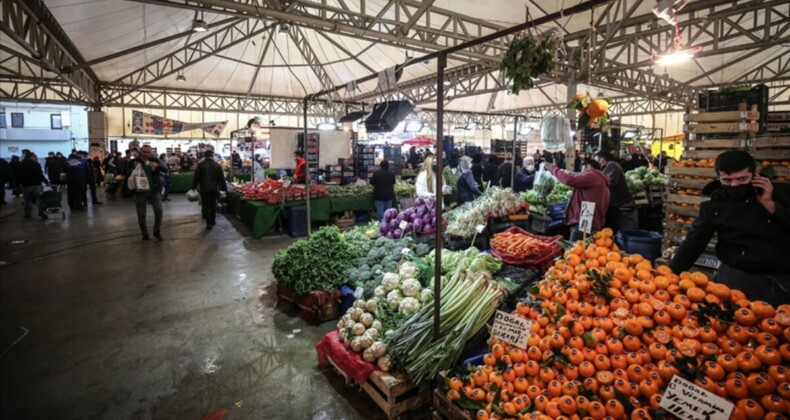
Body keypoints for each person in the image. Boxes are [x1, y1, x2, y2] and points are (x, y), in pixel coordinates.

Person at [669, 151, 790, 305]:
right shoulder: (714, 206)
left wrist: (770, 206)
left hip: (780, 281)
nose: (734, 185)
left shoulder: (781, 194)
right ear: (718, 178)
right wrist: (670, 275)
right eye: (727, 180)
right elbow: (693, 243)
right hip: (734, 278)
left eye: (742, 179)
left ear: (754, 175)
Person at [545, 160, 610, 242]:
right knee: (585, 251)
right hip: (592, 221)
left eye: (582, 170)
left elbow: (569, 180)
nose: (581, 173)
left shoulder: (592, 176)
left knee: (573, 251)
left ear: (589, 167)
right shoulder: (600, 179)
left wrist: (553, 169)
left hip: (585, 222)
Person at [594, 151, 639, 232]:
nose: (596, 162)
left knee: (625, 233)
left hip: (623, 205)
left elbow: (610, 183)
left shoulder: (612, 165)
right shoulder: (605, 168)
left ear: (603, 158)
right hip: (617, 205)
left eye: (597, 159)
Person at [129, 145, 165, 241]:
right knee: (141, 214)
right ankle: (144, 234)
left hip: (154, 191)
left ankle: (157, 232)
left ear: (151, 152)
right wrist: (133, 168)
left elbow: (165, 169)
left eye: (148, 152)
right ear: (140, 151)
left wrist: (157, 166)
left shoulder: (155, 161)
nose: (146, 154)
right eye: (144, 152)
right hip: (140, 192)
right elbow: (125, 173)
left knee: (159, 211)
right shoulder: (134, 162)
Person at [192, 149, 227, 229]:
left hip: (204, 188)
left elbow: (196, 178)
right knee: (213, 205)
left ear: (205, 156)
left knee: (205, 204)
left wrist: (193, 187)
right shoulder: (217, 165)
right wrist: (224, 189)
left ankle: (208, 221)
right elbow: (222, 178)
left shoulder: (201, 165)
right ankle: (212, 220)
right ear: (212, 156)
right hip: (214, 189)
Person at [18, 153, 50, 219]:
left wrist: (19, 184)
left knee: (27, 200)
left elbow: (18, 175)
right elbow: (40, 175)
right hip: (36, 185)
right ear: (31, 157)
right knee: (39, 200)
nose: (35, 158)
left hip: (25, 185)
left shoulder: (21, 165)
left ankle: (27, 214)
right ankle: (41, 213)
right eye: (34, 157)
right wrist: (46, 182)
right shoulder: (36, 164)